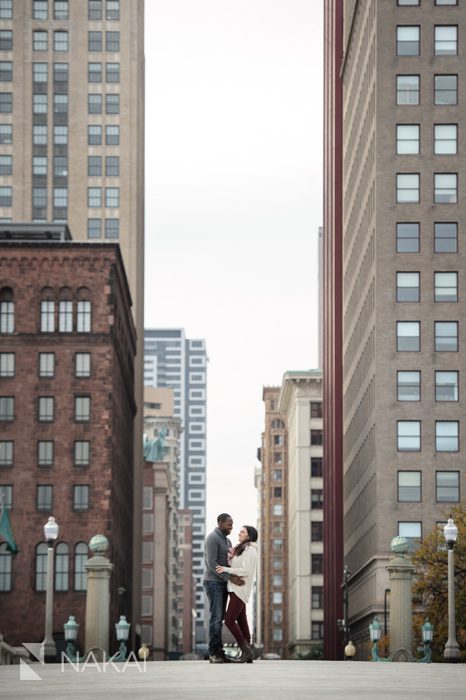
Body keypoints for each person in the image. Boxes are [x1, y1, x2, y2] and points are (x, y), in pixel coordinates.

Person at [204, 513, 245, 664]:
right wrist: (230, 578)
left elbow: (230, 562)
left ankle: (220, 652)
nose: (232, 527)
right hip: (213, 582)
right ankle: (214, 653)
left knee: (219, 618)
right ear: (220, 523)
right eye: (229, 524)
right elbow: (212, 564)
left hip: (222, 583)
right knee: (216, 618)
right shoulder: (212, 538)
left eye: (232, 524)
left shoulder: (227, 540)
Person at [216, 525, 258, 663]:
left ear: (249, 536)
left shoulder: (251, 551)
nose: (239, 533)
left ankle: (246, 650)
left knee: (229, 620)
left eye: (242, 532)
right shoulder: (242, 549)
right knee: (241, 620)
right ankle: (248, 652)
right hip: (234, 588)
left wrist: (227, 570)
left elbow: (245, 570)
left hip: (240, 589)